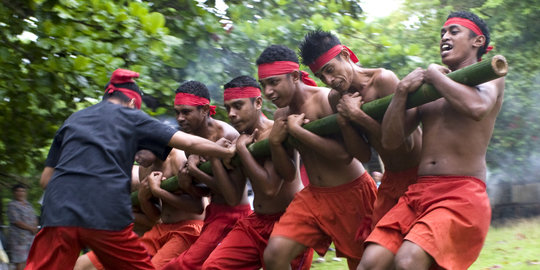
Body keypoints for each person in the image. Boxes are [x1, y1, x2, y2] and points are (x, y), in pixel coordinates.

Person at [26, 68, 235, 270]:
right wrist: (224, 152)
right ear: (133, 102)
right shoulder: (131, 116)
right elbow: (188, 143)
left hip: (58, 213)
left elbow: (46, 180)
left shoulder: (73, 120)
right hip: (105, 216)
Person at [359, 11, 503, 270]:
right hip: (419, 192)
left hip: (461, 193)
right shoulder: (427, 92)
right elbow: (391, 140)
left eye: (453, 31)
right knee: (371, 262)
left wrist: (435, 74)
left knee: (408, 261)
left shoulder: (489, 73)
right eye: (442, 33)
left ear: (477, 41)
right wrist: (401, 92)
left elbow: (478, 107)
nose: (444, 37)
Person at [257, 45, 377, 269]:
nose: (268, 92)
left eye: (274, 82)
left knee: (363, 264)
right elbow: (289, 172)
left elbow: (345, 156)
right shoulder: (282, 114)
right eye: (263, 85)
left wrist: (299, 132)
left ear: (294, 76)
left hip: (352, 194)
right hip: (312, 197)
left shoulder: (325, 99)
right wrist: (274, 142)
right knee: (274, 255)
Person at [299, 30, 422, 231]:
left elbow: (403, 143)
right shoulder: (336, 98)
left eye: (330, 70)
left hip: (420, 177)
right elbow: (362, 154)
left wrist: (358, 116)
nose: (328, 80)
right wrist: (345, 121)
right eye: (321, 76)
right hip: (390, 180)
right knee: (374, 255)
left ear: (346, 56)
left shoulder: (383, 80)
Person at [202, 76, 313, 269]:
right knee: (213, 266)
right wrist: (214, 155)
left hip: (289, 221)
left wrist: (244, 151)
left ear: (258, 102)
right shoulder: (239, 140)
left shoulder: (276, 131)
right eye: (227, 108)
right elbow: (232, 197)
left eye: (238, 106)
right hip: (257, 221)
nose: (231, 114)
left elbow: (270, 189)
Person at [162, 80, 251, 270]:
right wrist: (188, 185)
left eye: (186, 112)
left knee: (185, 265)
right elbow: (207, 192)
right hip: (213, 213)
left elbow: (232, 195)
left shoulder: (226, 135)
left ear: (204, 110)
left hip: (234, 214)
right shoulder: (190, 141)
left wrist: (195, 171)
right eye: (177, 112)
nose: (179, 118)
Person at [75, 149, 208, 270]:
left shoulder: (176, 156)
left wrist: (158, 191)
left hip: (188, 229)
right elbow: (155, 216)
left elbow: (198, 208)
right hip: (162, 229)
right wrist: (143, 198)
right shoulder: (144, 168)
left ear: (151, 142)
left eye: (138, 150)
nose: (136, 158)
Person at [7, 184, 38, 270]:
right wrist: (31, 228)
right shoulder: (12, 205)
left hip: (30, 237)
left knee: (30, 259)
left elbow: (34, 217)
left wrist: (35, 227)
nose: (21, 193)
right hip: (18, 239)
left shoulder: (29, 205)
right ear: (14, 193)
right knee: (20, 261)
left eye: (23, 191)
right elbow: (17, 221)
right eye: (18, 191)